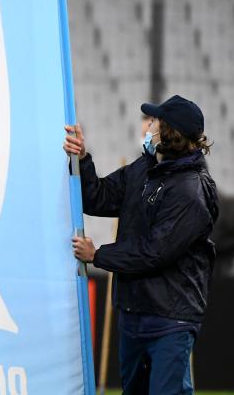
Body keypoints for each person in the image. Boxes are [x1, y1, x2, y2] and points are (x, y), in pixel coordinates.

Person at [64, 95, 218, 395]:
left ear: (170, 132)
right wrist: (82, 158)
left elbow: (155, 252)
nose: (148, 126)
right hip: (134, 312)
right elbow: (99, 196)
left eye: (154, 121)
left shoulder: (191, 190)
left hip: (170, 319)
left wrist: (98, 255)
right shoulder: (145, 169)